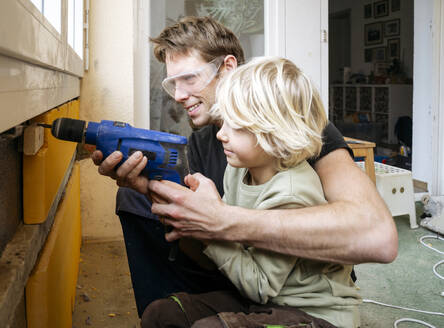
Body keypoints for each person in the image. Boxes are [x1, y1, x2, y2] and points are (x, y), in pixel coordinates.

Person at [91, 16, 397, 317]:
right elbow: (200, 249)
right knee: (134, 200)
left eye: (189, 78)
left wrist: (222, 220)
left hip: (300, 293)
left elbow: (377, 236)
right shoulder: (201, 143)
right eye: (173, 84)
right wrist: (153, 194)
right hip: (235, 271)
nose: (180, 96)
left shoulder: (296, 127)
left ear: (228, 67)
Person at [140, 56, 361, 328]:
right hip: (262, 302)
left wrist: (208, 229)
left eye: (236, 125)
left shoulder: (292, 192)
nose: (221, 134)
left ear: (274, 133)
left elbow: (260, 285)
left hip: (313, 313)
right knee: (161, 314)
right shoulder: (238, 168)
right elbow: (238, 245)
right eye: (224, 121)